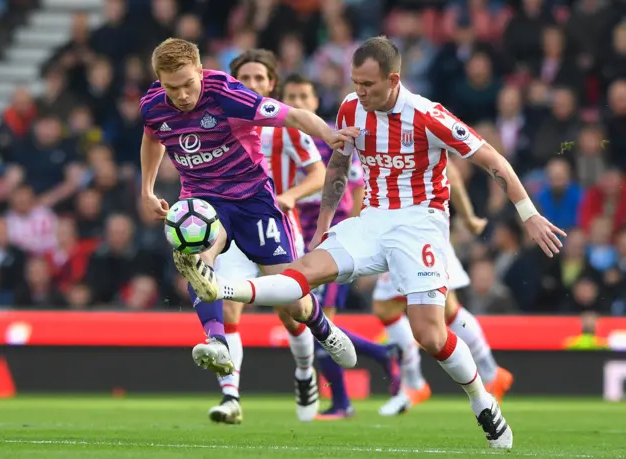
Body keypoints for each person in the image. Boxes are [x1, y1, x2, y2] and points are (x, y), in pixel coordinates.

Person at [185, 36, 568, 448]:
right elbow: (339, 166)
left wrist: (529, 215)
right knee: (302, 274)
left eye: (368, 84)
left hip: (419, 224)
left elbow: (493, 160)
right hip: (372, 219)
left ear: (394, 79)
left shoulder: (427, 115)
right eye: (355, 82)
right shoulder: (352, 106)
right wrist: (323, 227)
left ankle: (482, 400)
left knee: (430, 336)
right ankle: (222, 287)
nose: (360, 92)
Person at [140, 37, 360, 408]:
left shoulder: (226, 93)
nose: (180, 95)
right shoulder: (152, 106)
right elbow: (152, 138)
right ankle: (216, 341)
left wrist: (327, 133)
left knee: (292, 295)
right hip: (203, 199)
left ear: (200, 71)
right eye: (170, 87)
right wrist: (146, 189)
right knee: (195, 256)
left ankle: (323, 328)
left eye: (187, 84)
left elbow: (292, 115)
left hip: (254, 200)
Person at [206, 49, 326, 425]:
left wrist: (290, 195)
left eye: (261, 79)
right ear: (232, 81)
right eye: (246, 78)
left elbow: (318, 173)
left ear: (271, 83)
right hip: (233, 221)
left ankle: (305, 371)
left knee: (291, 312)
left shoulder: (282, 124)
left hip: (274, 221)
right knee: (227, 306)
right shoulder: (218, 121)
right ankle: (230, 397)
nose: (253, 85)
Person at [283, 73, 404, 419]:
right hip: (294, 237)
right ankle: (382, 355)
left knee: (319, 321)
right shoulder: (275, 140)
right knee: (312, 319)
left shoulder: (330, 141)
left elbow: (355, 188)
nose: (298, 102)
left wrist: (361, 233)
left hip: (329, 241)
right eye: (291, 96)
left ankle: (342, 402)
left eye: (304, 96)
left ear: (315, 102)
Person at [372, 161, 514, 411]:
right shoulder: (383, 133)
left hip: (418, 231)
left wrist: (468, 217)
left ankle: (420, 383)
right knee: (406, 308)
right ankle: (488, 374)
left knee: (442, 308)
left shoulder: (417, 127)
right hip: (398, 230)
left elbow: (452, 174)